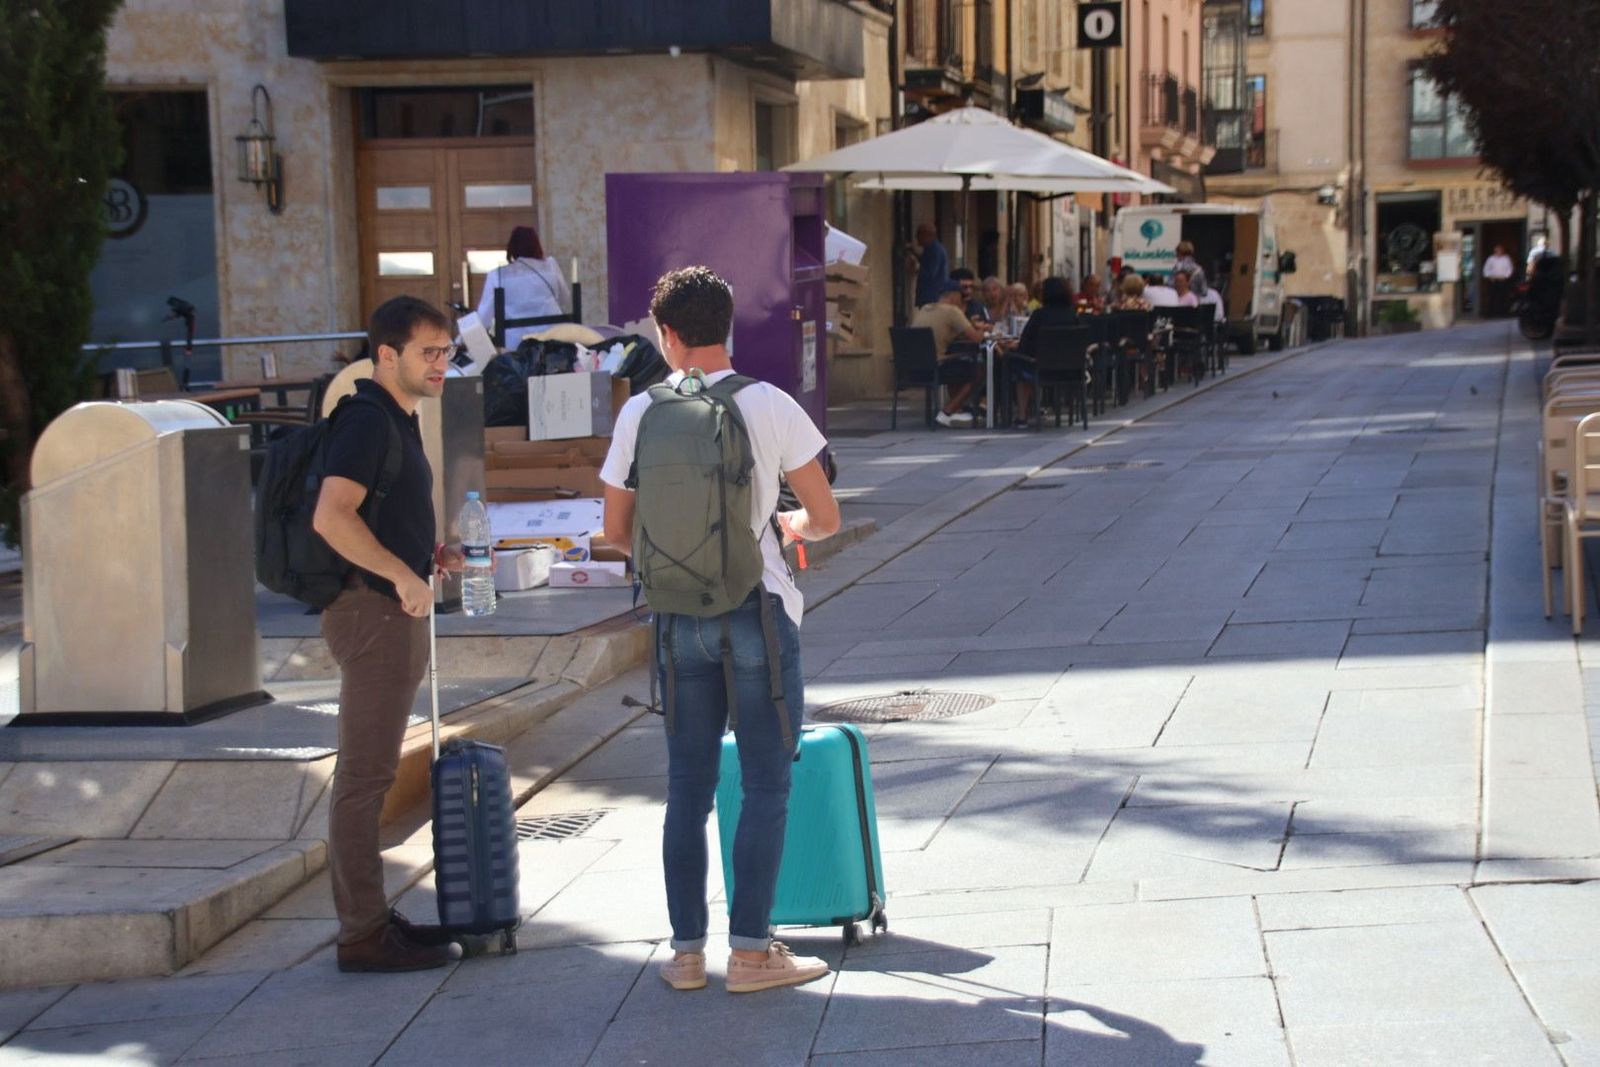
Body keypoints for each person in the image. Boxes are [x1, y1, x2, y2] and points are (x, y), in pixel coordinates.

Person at [599, 266, 841, 995]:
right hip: (757, 613)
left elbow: (615, 531)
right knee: (765, 784)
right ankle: (751, 953)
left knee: (687, 787)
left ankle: (683, 954)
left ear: (668, 336)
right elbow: (825, 516)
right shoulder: (770, 403)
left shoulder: (641, 410)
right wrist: (787, 522)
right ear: (726, 329)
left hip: (678, 619)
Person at [312, 296, 467, 973]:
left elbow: (376, 514)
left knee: (369, 773)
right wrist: (402, 576)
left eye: (447, 351)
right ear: (385, 355)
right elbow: (332, 516)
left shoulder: (395, 419)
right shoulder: (367, 421)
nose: (442, 364)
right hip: (371, 613)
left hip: (388, 607)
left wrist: (426, 555)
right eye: (428, 352)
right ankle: (362, 933)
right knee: (364, 776)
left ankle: (372, 918)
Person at [476, 225, 571, 351]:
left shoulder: (498, 275)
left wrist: (460, 339)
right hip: (554, 339)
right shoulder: (551, 266)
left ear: (511, 247)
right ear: (537, 245)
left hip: (517, 345)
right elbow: (565, 299)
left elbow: (484, 319)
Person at [911, 278, 990, 426]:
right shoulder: (953, 311)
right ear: (954, 295)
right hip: (936, 367)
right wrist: (981, 329)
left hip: (913, 369)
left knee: (956, 365)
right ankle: (946, 412)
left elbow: (942, 331)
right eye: (960, 296)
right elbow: (976, 339)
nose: (961, 300)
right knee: (979, 370)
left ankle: (956, 411)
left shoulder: (925, 308)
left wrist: (967, 326)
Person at [1012, 276, 1080, 426]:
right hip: (1071, 370)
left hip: (1041, 370)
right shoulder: (1072, 315)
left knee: (1020, 367)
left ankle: (1022, 415)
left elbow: (1025, 343)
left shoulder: (1039, 315)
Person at [908, 222, 950, 307]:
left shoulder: (934, 250)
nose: (916, 238)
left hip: (931, 297)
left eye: (919, 235)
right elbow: (925, 261)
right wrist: (913, 251)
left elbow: (930, 272)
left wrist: (916, 268)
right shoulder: (931, 248)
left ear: (927, 235)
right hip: (931, 296)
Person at [1483, 244, 1515, 318]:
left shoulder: (1506, 258)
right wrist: (1489, 276)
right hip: (1493, 280)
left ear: (1502, 251)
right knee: (1492, 296)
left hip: (1503, 280)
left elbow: (1510, 269)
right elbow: (1486, 269)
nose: (1498, 252)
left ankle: (1503, 313)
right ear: (1495, 251)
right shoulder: (1491, 258)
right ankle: (1490, 314)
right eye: (1497, 250)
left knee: (1503, 297)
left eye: (1500, 250)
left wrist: (1506, 277)